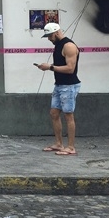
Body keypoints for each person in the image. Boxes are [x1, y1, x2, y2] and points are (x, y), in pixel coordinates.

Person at [35, 22, 81, 156]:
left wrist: (50, 67)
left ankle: (71, 147)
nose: (49, 39)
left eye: (50, 36)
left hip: (69, 85)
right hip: (59, 84)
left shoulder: (69, 46)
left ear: (56, 33)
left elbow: (70, 68)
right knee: (54, 113)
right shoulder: (58, 46)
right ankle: (59, 143)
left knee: (68, 115)